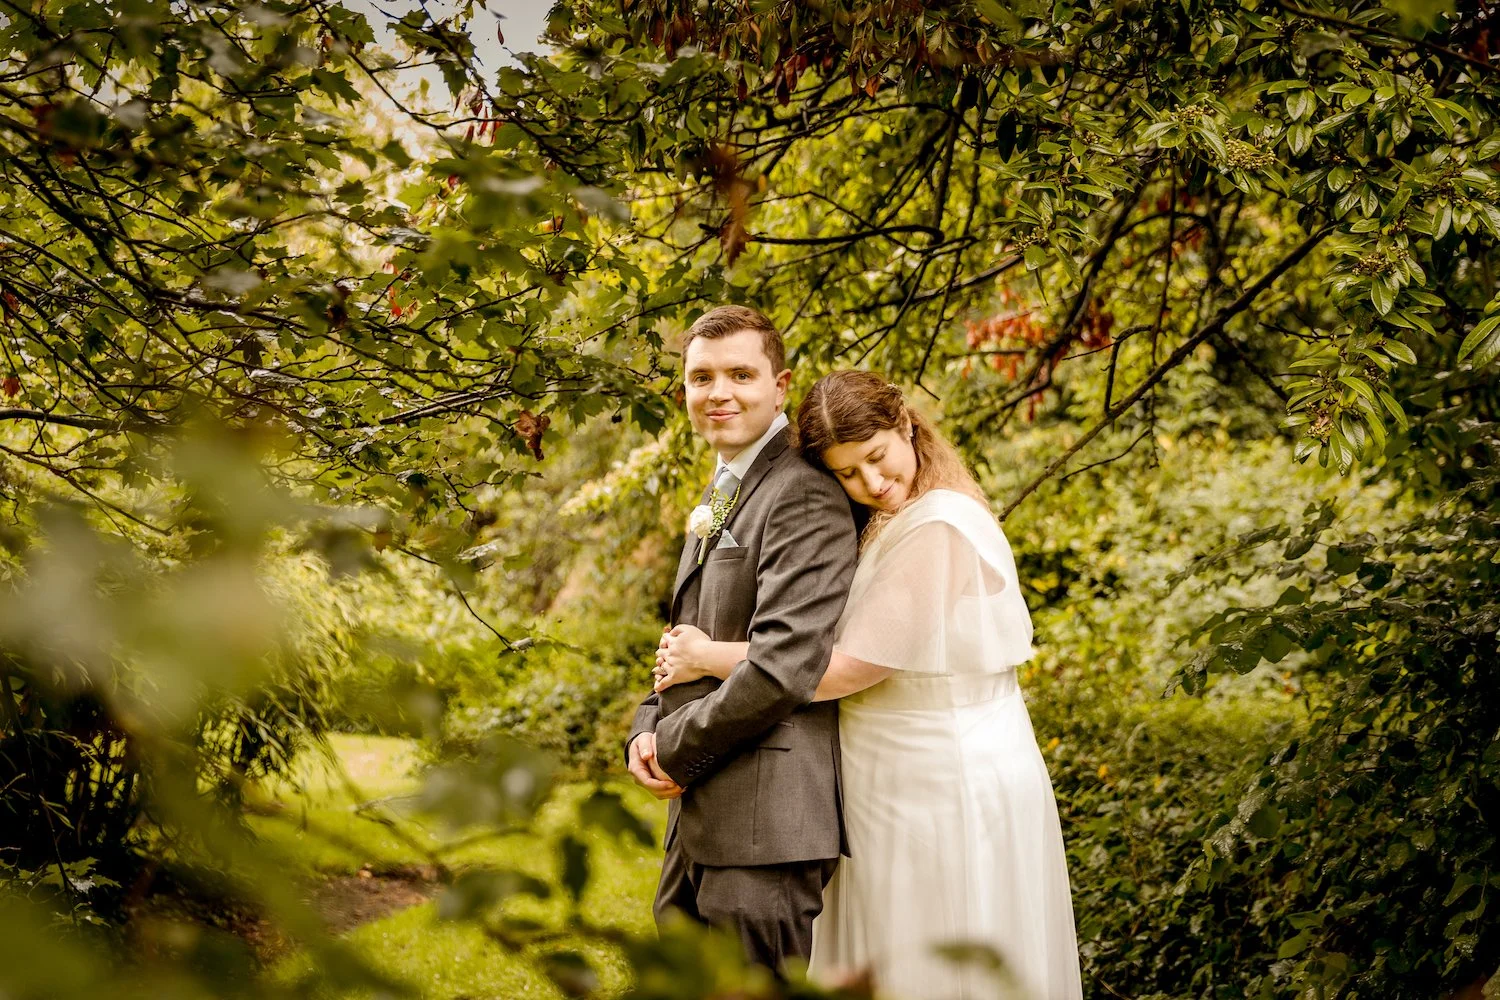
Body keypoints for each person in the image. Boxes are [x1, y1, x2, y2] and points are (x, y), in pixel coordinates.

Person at [653, 370, 1084, 1000]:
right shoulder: (897, 514)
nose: (871, 485)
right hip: (887, 770)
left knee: (932, 947)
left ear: (907, 426)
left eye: (877, 459)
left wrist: (707, 655)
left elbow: (850, 667)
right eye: (847, 474)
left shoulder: (940, 524)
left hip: (941, 776)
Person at [624, 306, 860, 972]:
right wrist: (644, 729)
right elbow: (688, 637)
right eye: (702, 378)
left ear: (780, 385)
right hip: (704, 818)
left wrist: (671, 749)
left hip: (766, 824)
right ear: (685, 393)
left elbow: (785, 666)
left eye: (740, 374)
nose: (719, 392)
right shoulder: (727, 485)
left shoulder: (802, 493)